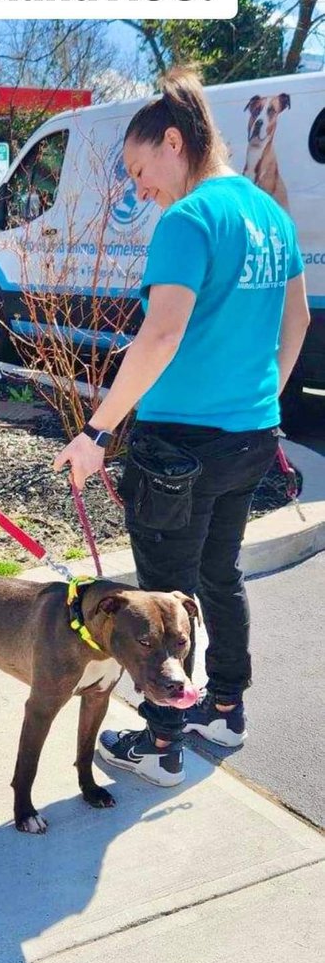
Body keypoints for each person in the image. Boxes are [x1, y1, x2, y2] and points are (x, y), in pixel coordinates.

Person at [54, 67, 309, 787]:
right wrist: (263, 401)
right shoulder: (271, 216)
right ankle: (225, 707)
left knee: (163, 600)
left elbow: (160, 335)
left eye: (140, 171)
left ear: (174, 142)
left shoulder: (189, 220)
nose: (142, 190)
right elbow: (297, 322)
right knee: (217, 578)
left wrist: (96, 432)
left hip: (178, 450)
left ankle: (162, 743)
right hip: (250, 439)